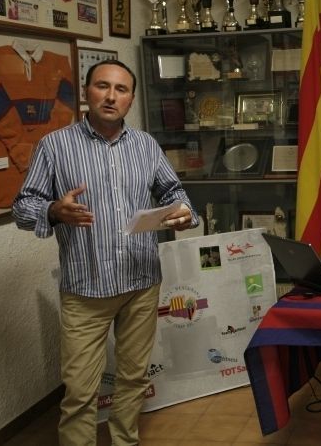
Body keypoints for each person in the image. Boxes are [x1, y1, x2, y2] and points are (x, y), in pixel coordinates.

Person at [13, 59, 198, 446]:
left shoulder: (146, 145)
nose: (111, 96)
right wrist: (52, 210)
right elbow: (22, 207)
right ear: (86, 92)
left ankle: (124, 442)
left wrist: (183, 213)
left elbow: (173, 191)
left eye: (121, 89)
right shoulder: (55, 146)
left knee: (133, 379)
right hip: (86, 288)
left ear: (131, 98)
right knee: (80, 391)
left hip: (141, 283)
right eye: (102, 86)